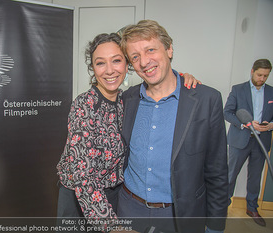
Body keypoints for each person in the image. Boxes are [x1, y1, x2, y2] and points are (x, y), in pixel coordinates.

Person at [56, 32, 199, 232]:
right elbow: (84, 178)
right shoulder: (84, 106)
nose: (109, 70)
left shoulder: (129, 100)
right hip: (81, 198)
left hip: (115, 196)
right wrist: (113, 227)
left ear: (127, 65)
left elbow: (161, 83)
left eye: (116, 61)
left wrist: (181, 79)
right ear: (92, 68)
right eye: (100, 63)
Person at [117, 20, 228, 233]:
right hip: (129, 209)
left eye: (150, 50)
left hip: (178, 216)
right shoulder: (126, 99)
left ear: (169, 49)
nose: (144, 62)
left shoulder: (206, 100)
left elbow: (217, 172)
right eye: (135, 57)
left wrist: (215, 226)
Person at [224, 59, 273, 227]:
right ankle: (223, 207)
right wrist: (245, 124)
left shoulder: (272, 92)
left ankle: (252, 208)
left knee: (255, 177)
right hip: (240, 140)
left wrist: (271, 125)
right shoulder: (238, 89)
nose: (262, 78)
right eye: (259, 74)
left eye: (265, 76)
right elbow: (227, 113)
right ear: (252, 71)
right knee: (230, 175)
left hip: (261, 141)